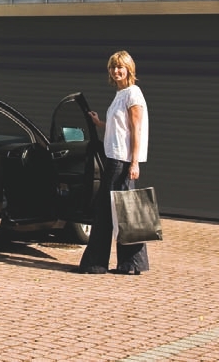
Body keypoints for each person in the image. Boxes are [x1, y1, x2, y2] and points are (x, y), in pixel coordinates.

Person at [76, 49, 150, 275]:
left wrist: (134, 162)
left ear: (129, 69)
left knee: (116, 212)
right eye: (113, 67)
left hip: (122, 161)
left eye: (120, 67)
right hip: (114, 158)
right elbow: (121, 128)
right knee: (118, 212)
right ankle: (128, 264)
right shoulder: (120, 94)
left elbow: (136, 129)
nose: (116, 70)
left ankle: (101, 263)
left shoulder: (132, 94)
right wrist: (100, 123)